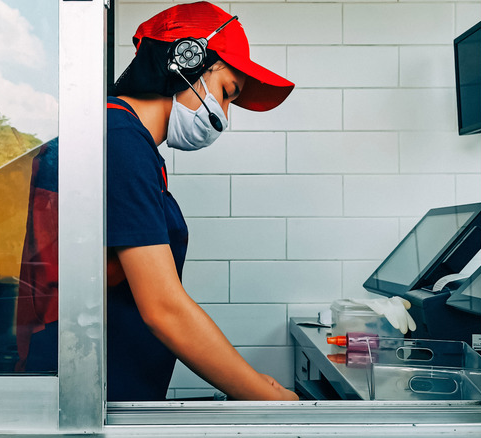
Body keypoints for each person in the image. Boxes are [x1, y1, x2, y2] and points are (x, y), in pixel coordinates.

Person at [16, 1, 298, 401]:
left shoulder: (123, 139)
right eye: (226, 93)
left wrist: (254, 380)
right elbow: (163, 309)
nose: (225, 116)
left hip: (108, 387)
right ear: (187, 58)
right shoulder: (118, 140)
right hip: (93, 393)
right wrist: (271, 401)